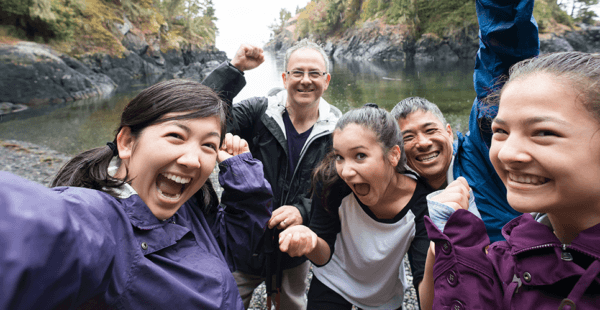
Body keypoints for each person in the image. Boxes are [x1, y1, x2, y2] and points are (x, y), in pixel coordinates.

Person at [0, 79, 272, 309]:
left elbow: (235, 245)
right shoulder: (100, 221)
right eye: (176, 135)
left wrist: (242, 172)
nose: (193, 160)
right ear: (127, 142)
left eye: (208, 145)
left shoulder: (186, 207)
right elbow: (35, 231)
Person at [391, 0, 539, 243]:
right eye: (408, 137)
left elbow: (505, 65)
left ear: (450, 131)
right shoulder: (400, 189)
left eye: (429, 130)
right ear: (397, 151)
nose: (424, 143)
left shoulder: (486, 152)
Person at [423, 51, 600, 309]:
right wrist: (457, 248)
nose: (507, 153)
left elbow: (508, 41)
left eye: (543, 132)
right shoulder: (506, 255)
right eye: (501, 131)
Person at [202, 39, 341, 309]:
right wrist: (234, 69)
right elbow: (202, 113)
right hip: (243, 238)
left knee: (291, 303)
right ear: (284, 77)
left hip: (294, 247)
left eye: (314, 73)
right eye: (297, 72)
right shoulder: (258, 111)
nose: (305, 80)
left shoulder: (339, 131)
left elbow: (339, 188)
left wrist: (303, 211)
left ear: (326, 80)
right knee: (223, 301)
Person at [278, 105, 430, 310]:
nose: (346, 172)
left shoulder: (422, 203)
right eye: (339, 157)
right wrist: (311, 242)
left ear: (394, 155)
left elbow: (425, 284)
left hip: (383, 295)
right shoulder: (332, 181)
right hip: (332, 282)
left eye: (360, 155)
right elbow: (323, 257)